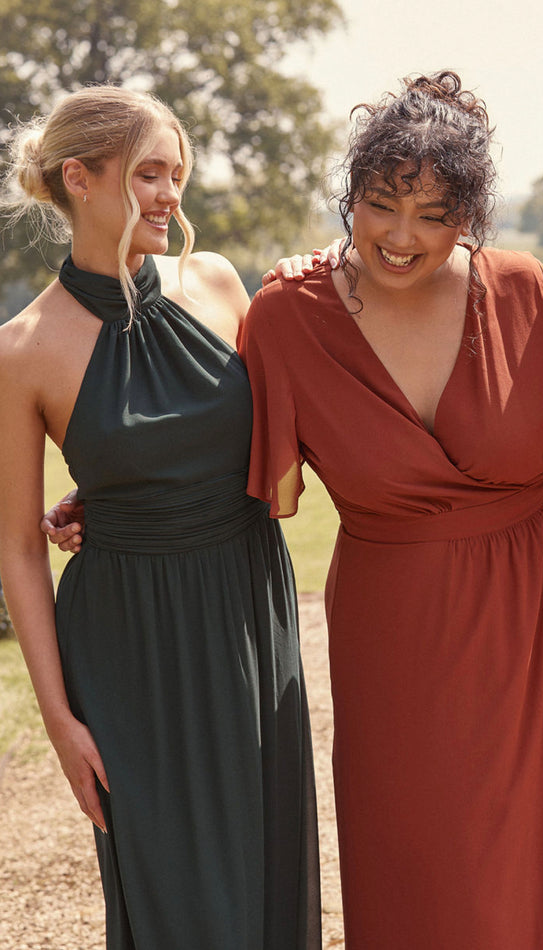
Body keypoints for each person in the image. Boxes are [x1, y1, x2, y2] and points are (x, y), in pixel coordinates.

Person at [240, 71, 543, 949]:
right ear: (350, 197)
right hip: (396, 629)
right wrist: (106, 502)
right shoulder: (286, 317)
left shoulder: (529, 293)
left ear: (469, 218)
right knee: (418, 855)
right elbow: (232, 464)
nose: (402, 238)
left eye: (434, 217)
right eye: (380, 205)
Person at [0, 86, 320, 949]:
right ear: (81, 178)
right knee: (178, 895)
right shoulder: (22, 351)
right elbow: (18, 551)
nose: (171, 194)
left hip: (251, 608)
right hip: (130, 644)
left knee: (266, 870)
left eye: (177, 174)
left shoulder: (215, 282)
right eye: (149, 174)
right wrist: (60, 720)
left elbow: (282, 439)